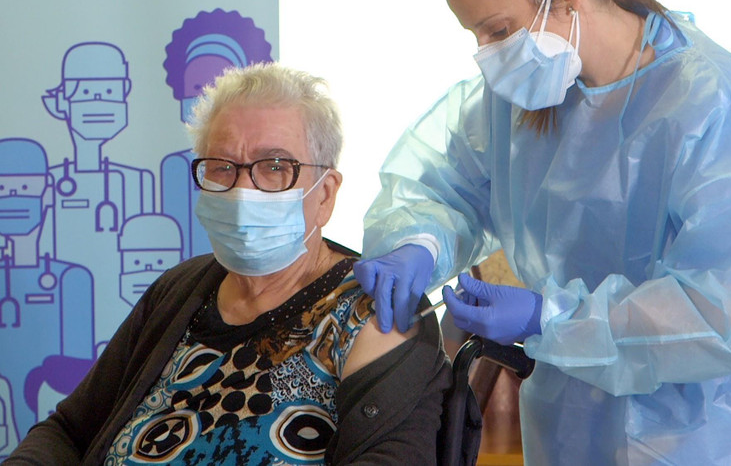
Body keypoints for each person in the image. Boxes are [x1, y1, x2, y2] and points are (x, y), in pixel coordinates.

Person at [353, 0, 731, 464]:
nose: (487, 54)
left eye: (498, 30)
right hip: (573, 416)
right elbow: (439, 187)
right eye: (476, 36)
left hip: (714, 427)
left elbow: (730, 309)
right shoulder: (520, 102)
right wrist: (416, 244)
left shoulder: (714, 103)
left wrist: (547, 317)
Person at [8, 63, 450, 465]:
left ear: (326, 193)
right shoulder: (179, 290)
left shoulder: (376, 314)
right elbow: (69, 430)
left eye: (275, 166)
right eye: (222, 167)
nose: (243, 191)